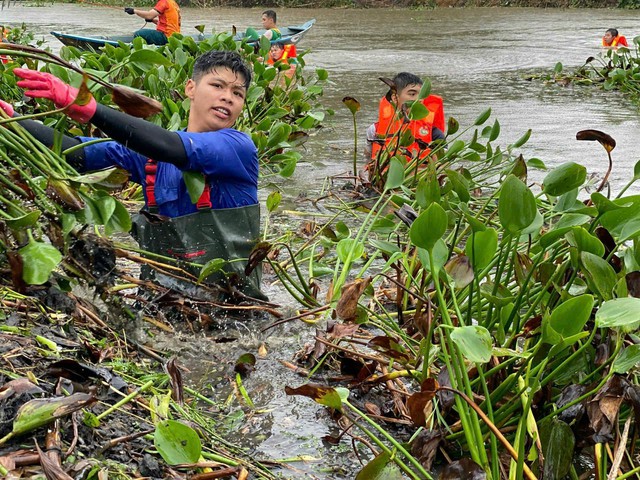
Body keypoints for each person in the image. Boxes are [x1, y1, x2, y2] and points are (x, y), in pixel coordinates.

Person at [0, 50, 266, 301]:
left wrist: (93, 110)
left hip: (234, 309)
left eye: (238, 93)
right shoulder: (148, 158)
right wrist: (11, 120)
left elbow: (170, 146)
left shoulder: (237, 148)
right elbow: (75, 154)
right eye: (217, 86)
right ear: (190, 88)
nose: (227, 97)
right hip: (163, 302)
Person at [365, 72, 445, 163]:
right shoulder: (374, 130)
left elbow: (441, 166)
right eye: (412, 94)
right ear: (395, 98)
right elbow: (368, 159)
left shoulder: (435, 134)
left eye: (421, 95)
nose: (418, 99)